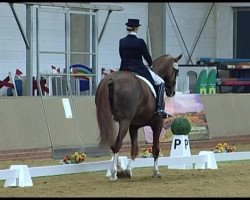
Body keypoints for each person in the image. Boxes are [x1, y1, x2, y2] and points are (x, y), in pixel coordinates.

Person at [119, 18, 169, 118]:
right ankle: (159, 108)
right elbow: (146, 55)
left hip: (124, 68)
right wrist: (150, 64)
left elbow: (121, 55)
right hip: (138, 68)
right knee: (161, 82)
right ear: (137, 28)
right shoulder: (140, 42)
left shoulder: (122, 41)